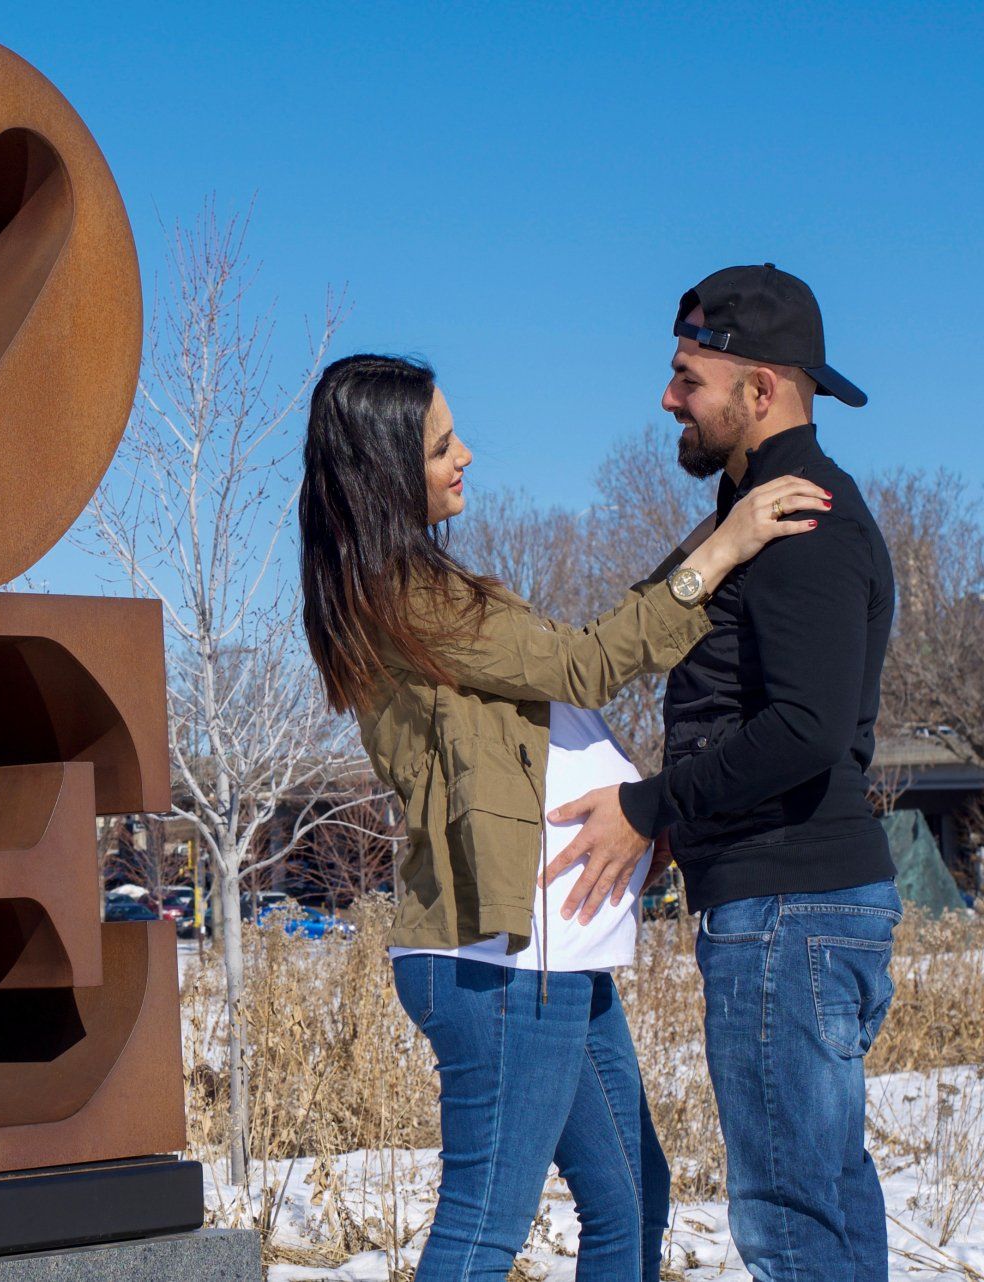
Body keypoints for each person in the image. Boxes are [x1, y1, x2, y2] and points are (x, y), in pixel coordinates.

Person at [298, 353, 828, 1281]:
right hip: (501, 960)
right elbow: (586, 666)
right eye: (439, 446)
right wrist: (723, 548)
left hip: (552, 953)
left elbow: (558, 681)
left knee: (631, 1201)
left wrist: (719, 541)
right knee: (482, 1231)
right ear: (384, 472)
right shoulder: (409, 596)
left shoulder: (416, 589)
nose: (466, 455)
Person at [538, 265, 898, 1281]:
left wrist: (651, 809)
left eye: (687, 376)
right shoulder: (754, 518)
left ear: (762, 389)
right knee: (822, 1198)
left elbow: (807, 728)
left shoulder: (805, 525)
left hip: (793, 907)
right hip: (794, 908)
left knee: (792, 1219)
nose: (667, 399)